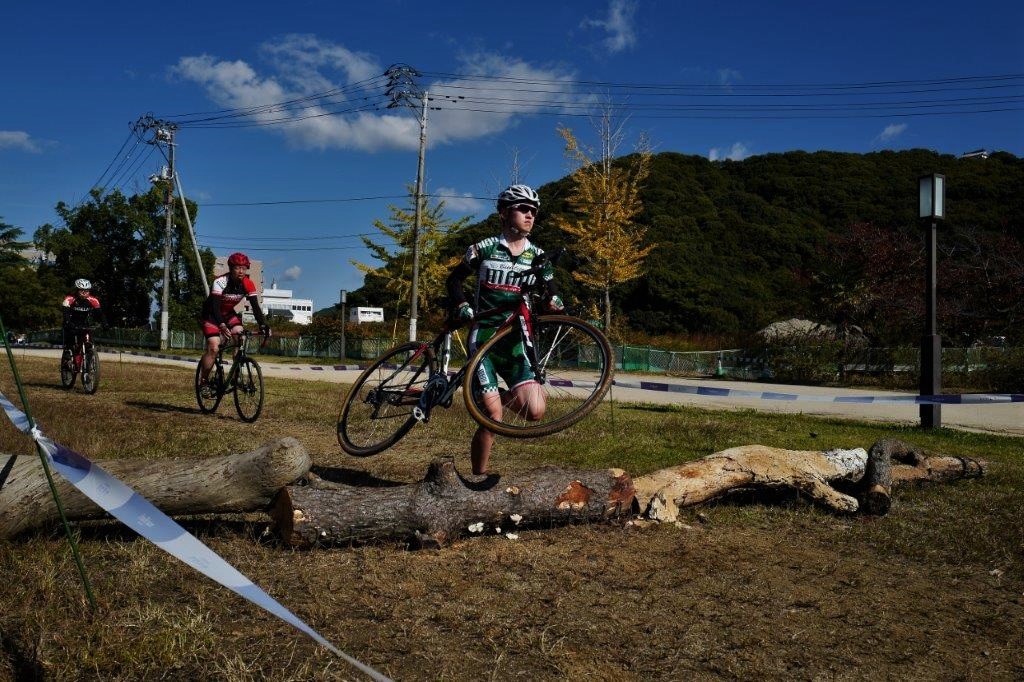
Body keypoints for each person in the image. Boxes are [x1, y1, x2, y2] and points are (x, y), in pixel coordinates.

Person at [446, 184, 564, 475]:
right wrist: (461, 304)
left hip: (515, 343)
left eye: (534, 211)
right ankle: (478, 476)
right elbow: (454, 280)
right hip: (484, 338)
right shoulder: (483, 248)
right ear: (503, 213)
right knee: (494, 415)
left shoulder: (538, 257)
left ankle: (487, 393)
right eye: (523, 209)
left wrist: (554, 300)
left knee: (535, 411)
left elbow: (552, 291)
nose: (530, 215)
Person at [198, 252, 271, 389]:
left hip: (228, 314)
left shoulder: (248, 284)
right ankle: (203, 381)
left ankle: (235, 377)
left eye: (244, 268)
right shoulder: (220, 282)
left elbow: (256, 307)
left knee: (240, 336)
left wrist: (263, 325)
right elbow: (214, 307)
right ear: (231, 268)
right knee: (214, 347)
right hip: (211, 315)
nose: (241, 271)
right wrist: (221, 325)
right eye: (238, 268)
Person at [61, 279, 102, 353]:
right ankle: (67, 353)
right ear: (77, 290)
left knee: (89, 340)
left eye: (86, 290)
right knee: (70, 338)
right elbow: (65, 312)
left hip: (84, 323)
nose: (84, 293)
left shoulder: (93, 300)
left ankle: (90, 358)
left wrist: (105, 323)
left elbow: (100, 314)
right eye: (81, 290)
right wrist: (67, 322)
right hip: (71, 322)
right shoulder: (69, 299)